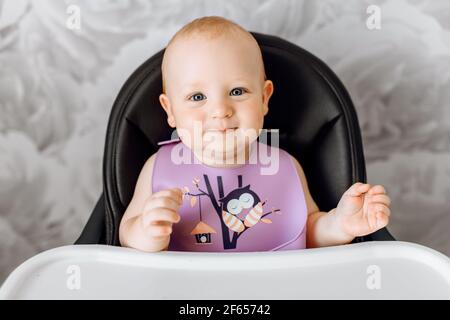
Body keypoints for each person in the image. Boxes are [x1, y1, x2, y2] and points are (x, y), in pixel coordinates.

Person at [119, 16, 391, 252]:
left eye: (237, 92)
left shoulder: (286, 167)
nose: (220, 111)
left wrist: (340, 224)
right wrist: (146, 231)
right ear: (170, 110)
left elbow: (305, 230)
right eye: (197, 96)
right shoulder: (159, 168)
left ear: (264, 98)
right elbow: (125, 235)